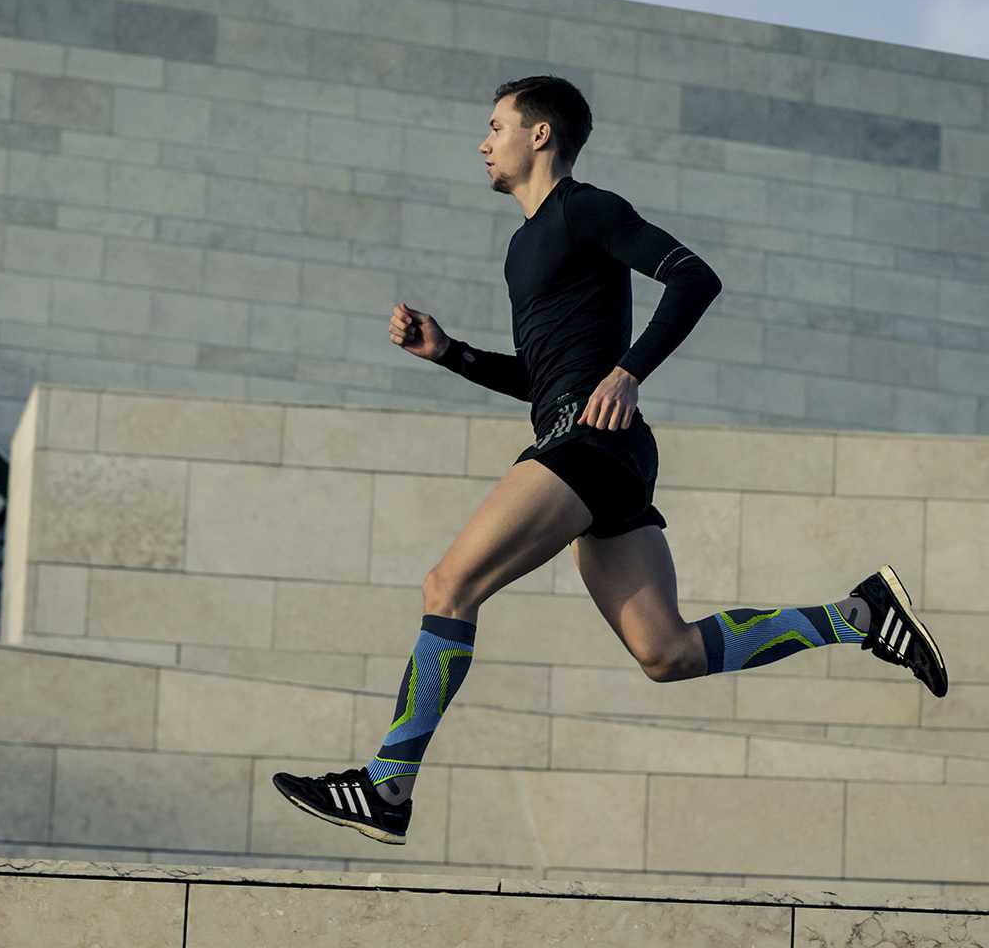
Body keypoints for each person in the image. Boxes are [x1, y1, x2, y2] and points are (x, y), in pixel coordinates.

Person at [273, 75, 948, 846]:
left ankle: (388, 787)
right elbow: (545, 375)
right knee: (667, 652)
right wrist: (450, 352)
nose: (482, 142)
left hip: (588, 440)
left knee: (448, 585)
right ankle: (858, 615)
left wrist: (631, 371)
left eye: (495, 125)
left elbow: (695, 277)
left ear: (540, 135)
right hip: (595, 441)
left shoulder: (586, 208)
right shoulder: (524, 245)